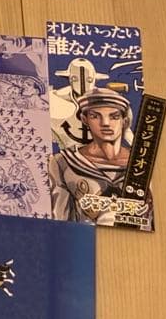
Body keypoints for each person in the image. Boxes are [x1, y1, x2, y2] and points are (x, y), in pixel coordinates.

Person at [48, 87, 150, 226]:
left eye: (114, 116)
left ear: (125, 121)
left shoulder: (142, 163)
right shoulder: (63, 162)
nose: (105, 123)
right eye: (95, 116)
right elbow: (60, 219)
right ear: (84, 119)